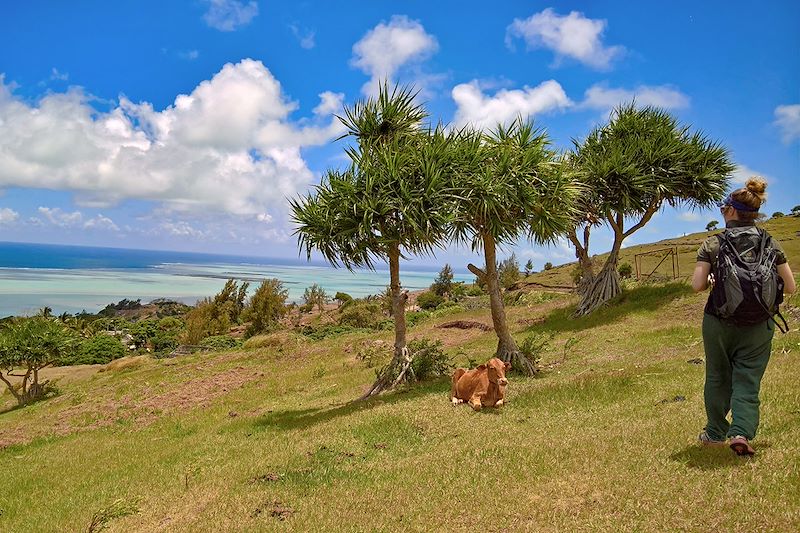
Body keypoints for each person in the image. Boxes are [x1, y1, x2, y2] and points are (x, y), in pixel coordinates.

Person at [691, 177, 796, 456]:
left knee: (717, 375)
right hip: (759, 324)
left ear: (730, 210)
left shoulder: (713, 243)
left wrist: (715, 280)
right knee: (747, 379)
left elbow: (697, 285)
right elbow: (792, 286)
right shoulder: (770, 243)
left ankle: (714, 433)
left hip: (718, 321)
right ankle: (741, 432)